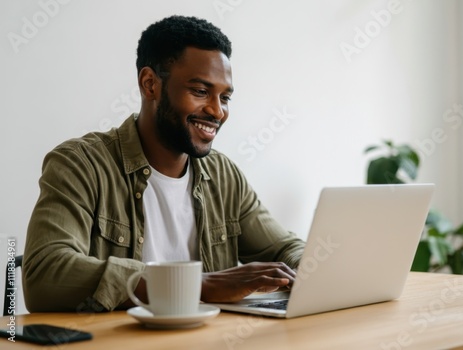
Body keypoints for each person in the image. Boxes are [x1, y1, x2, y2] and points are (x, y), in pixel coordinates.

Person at [22, 15, 305, 312]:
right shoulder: (80, 164)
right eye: (200, 91)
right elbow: (45, 275)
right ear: (150, 84)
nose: (217, 111)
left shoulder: (223, 175)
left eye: (225, 98)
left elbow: (285, 249)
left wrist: (309, 273)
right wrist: (198, 285)